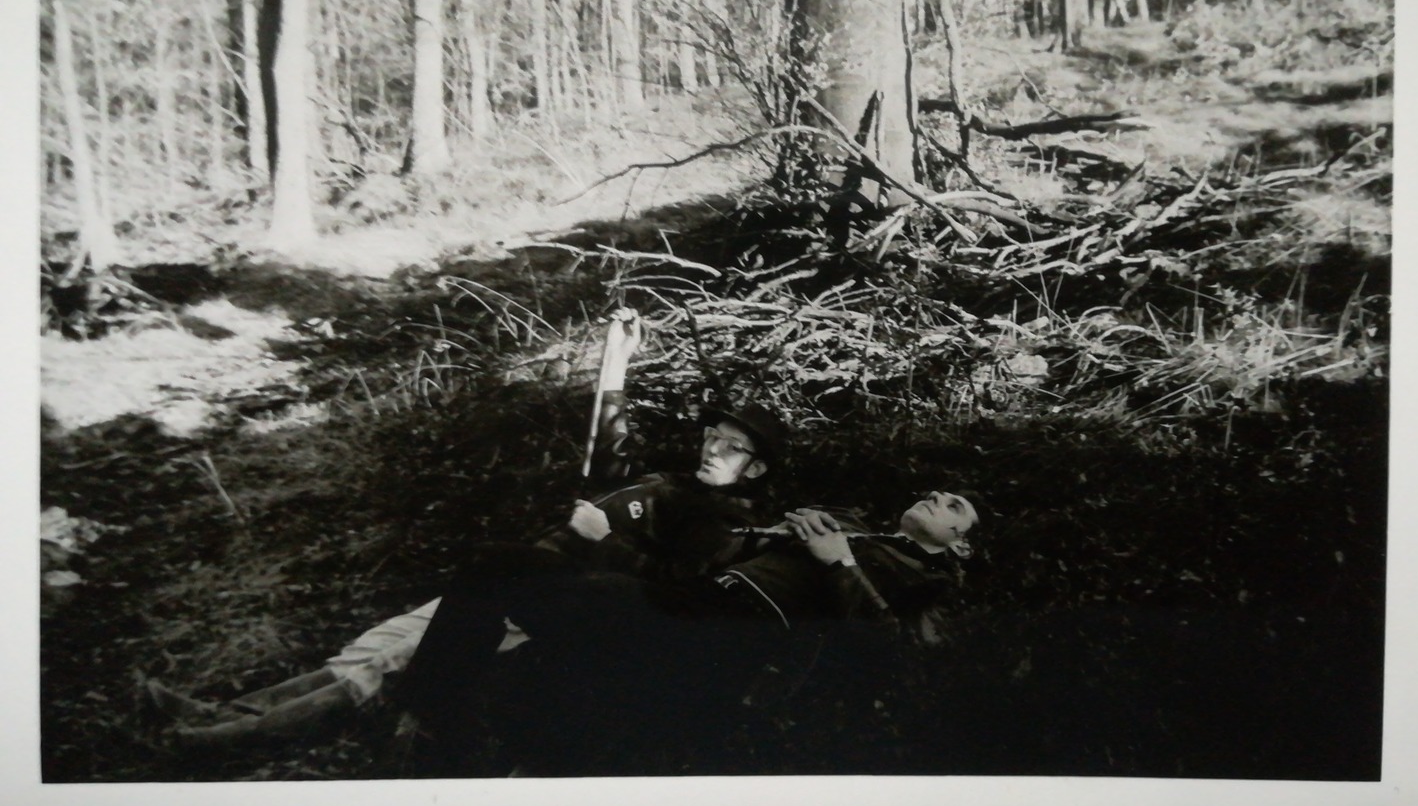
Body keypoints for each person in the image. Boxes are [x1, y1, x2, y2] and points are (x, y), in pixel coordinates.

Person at [151, 308, 787, 746]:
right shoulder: (672, 485)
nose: (713, 450)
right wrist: (614, 363)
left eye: (732, 449)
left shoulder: (725, 519)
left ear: (754, 470)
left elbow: (675, 591)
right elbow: (609, 451)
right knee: (377, 640)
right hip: (517, 577)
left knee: (394, 658)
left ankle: (222, 738)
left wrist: (605, 541)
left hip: (552, 602)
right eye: (714, 436)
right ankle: (224, 711)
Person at [401, 490, 981, 774]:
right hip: (687, 603)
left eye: (952, 504)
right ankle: (434, 717)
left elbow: (886, 647)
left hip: (727, 641)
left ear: (962, 541)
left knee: (563, 685)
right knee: (499, 564)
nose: (936, 497)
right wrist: (773, 533)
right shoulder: (853, 526)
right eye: (935, 491)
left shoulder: (928, 581)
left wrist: (839, 562)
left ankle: (444, 730)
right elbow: (720, 556)